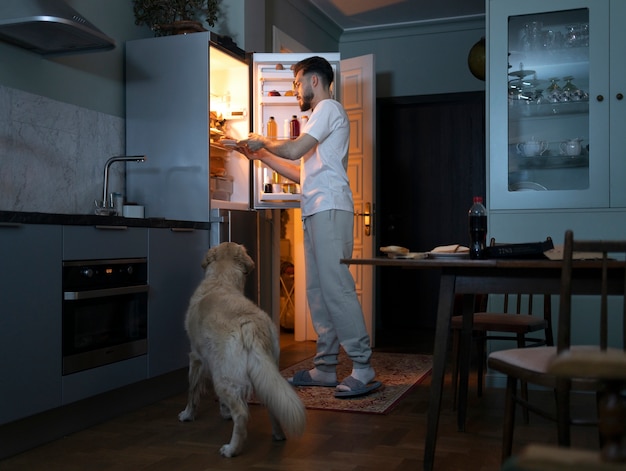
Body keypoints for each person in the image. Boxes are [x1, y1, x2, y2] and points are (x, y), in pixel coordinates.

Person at [237, 56, 380, 398]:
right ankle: (326, 368)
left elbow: (296, 147)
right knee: (317, 291)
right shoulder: (319, 118)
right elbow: (302, 173)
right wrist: (262, 157)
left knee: (336, 288)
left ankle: (363, 367)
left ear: (315, 81)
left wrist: (264, 141)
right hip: (315, 207)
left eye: (298, 83)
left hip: (331, 206)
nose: (296, 90)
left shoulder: (329, 108)